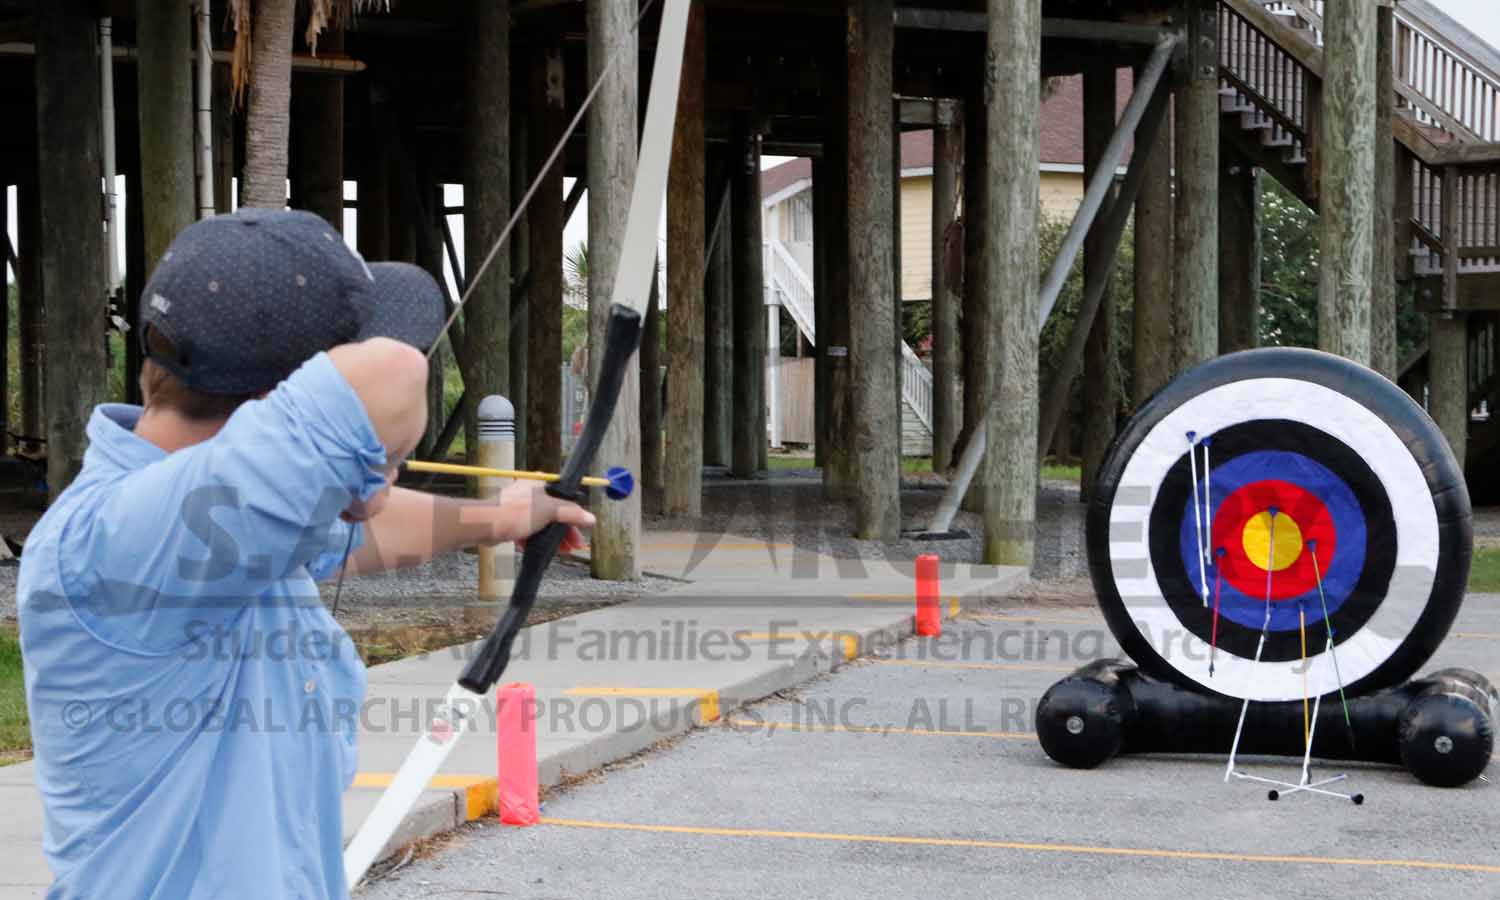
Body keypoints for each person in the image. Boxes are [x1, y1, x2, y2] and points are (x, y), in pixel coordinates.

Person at [17, 209, 593, 899]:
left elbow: (351, 536)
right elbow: (395, 373)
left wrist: (499, 518)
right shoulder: (129, 539)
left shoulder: (226, 518)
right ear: (274, 406)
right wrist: (366, 474)